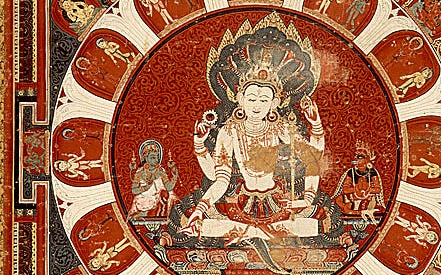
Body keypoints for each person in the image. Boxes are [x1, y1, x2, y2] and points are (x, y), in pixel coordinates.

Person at [181, 57, 324, 243]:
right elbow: (219, 178)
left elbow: (312, 158)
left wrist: (316, 124)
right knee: (196, 219)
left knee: (317, 222)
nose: (257, 106)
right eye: (251, 99)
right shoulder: (229, 131)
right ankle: (259, 232)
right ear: (240, 100)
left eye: (264, 100)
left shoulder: (280, 128)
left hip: (278, 204)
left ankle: (252, 233)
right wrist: (199, 145)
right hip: (241, 205)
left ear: (273, 103)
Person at [333, 142, 385, 224]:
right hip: (353, 197)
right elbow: (345, 189)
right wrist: (355, 189)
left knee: (372, 206)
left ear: (367, 159)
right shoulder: (351, 172)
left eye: (361, 157)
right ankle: (359, 212)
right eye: (357, 157)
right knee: (338, 200)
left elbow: (378, 189)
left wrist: (368, 190)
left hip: (367, 197)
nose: (359, 160)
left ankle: (360, 212)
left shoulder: (372, 172)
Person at [128, 140, 179, 220]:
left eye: (157, 157)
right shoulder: (140, 172)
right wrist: (145, 188)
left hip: (158, 201)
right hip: (142, 202)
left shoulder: (160, 172)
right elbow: (134, 190)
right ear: (146, 158)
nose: (156, 160)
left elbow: (169, 187)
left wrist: (175, 176)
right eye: (153, 157)